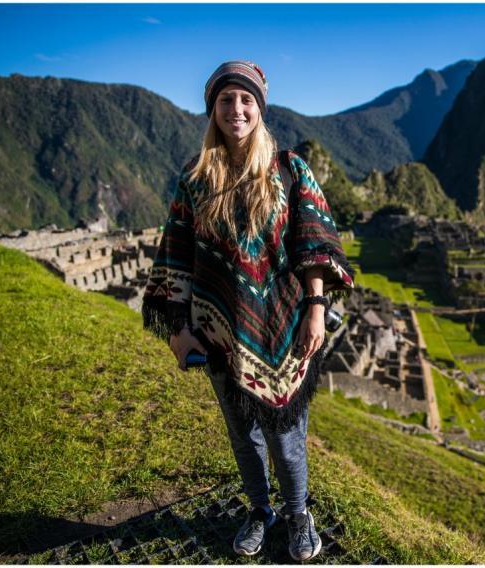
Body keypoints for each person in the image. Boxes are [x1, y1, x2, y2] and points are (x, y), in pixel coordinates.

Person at [141, 60, 355, 561]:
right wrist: (178, 330)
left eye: (246, 100)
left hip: (285, 329)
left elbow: (315, 244)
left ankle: (299, 513)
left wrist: (316, 308)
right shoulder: (196, 181)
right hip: (221, 333)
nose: (236, 109)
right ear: (212, 110)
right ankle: (261, 510)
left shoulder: (289, 169)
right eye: (225, 100)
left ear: (259, 107)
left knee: (286, 439)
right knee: (244, 437)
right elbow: (176, 257)